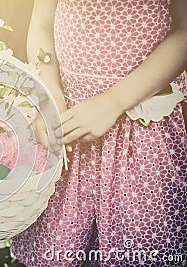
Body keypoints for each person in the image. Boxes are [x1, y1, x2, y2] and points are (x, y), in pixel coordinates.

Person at [12, 0, 187, 266]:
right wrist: (49, 96)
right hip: (67, 129)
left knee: (140, 248)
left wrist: (113, 101)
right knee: (58, 247)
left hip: (141, 136)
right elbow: (42, 23)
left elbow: (184, 30)